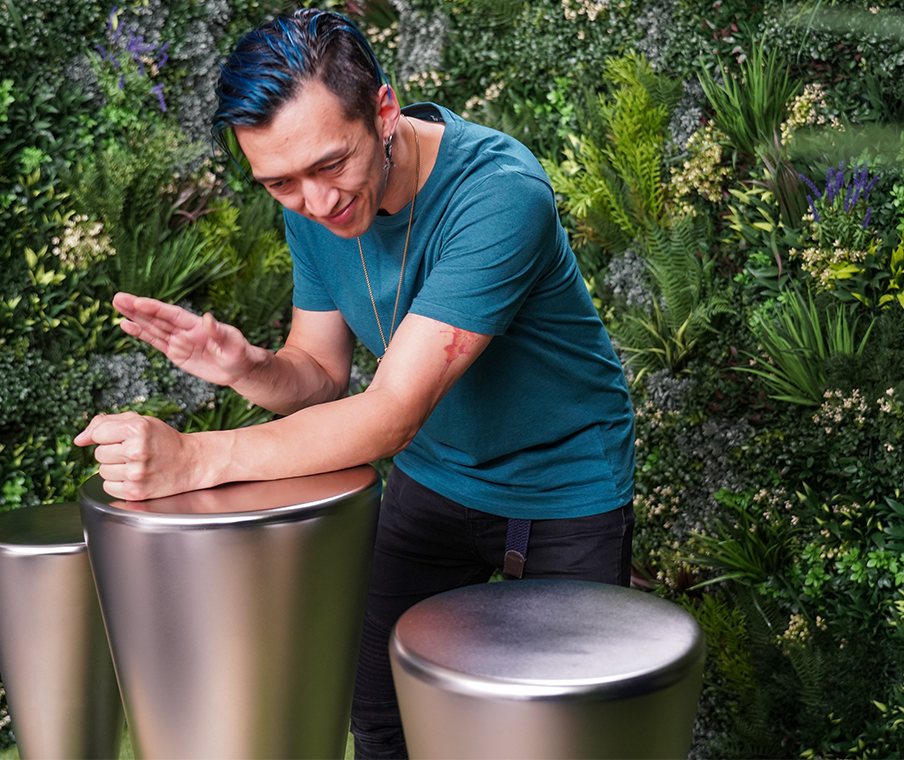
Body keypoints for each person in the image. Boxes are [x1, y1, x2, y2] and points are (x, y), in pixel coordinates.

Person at [75, 9, 635, 758]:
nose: (314, 202)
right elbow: (319, 374)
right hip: (435, 481)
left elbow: (389, 415)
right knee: (381, 722)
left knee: (562, 743)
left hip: (566, 488)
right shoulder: (313, 204)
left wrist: (194, 458)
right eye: (279, 183)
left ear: (384, 110)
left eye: (330, 165)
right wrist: (247, 367)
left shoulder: (500, 195)